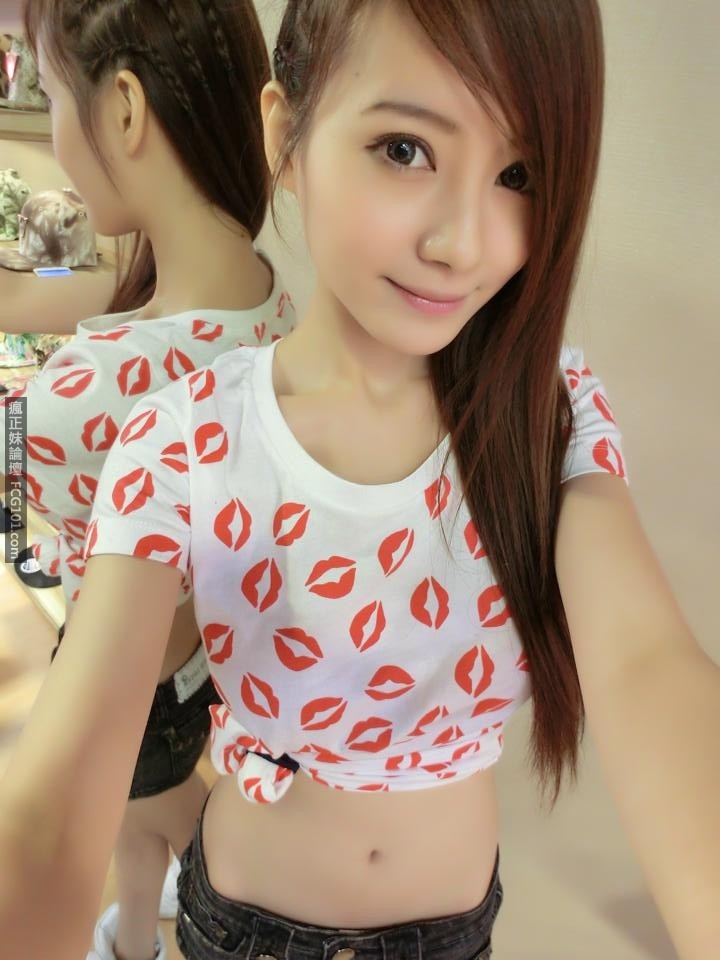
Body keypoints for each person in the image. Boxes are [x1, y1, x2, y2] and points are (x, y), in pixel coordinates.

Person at [1, 1, 719, 959]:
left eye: (519, 174)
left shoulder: (548, 420)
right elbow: (55, 804)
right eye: (405, 150)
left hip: (454, 930)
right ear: (285, 137)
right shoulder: (186, 437)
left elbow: (648, 663)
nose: (464, 243)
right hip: (247, 926)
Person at [0, 0, 295, 958]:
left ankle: (198, 918)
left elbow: (23, 450)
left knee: (160, 822)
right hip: (197, 661)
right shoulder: (264, 294)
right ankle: (134, 936)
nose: (57, 130)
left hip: (125, 676)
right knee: (138, 834)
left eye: (55, 95)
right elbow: (50, 293)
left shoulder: (84, 395)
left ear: (123, 108)